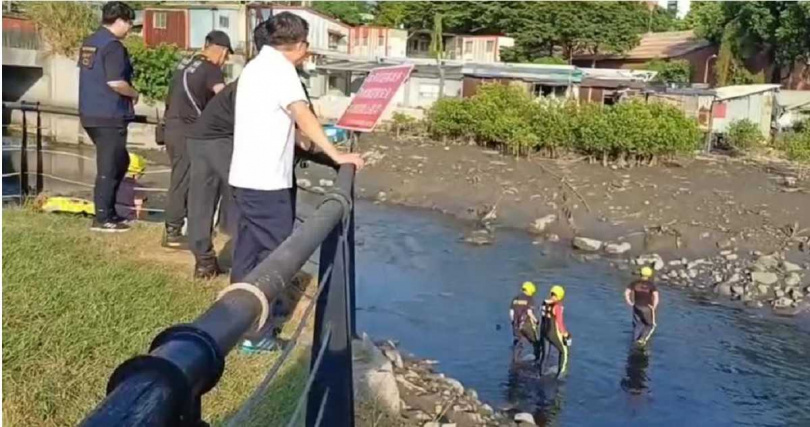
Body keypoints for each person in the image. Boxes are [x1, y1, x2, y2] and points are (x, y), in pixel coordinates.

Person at [228, 13, 364, 283]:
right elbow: (302, 114)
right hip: (266, 181)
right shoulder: (281, 70)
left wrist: (302, 141)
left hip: (245, 178)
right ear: (301, 45)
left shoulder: (256, 66)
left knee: (249, 248)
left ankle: (236, 304)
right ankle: (267, 309)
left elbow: (272, 119)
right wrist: (336, 154)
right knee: (276, 255)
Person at [162, 30, 232, 248]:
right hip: (189, 130)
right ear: (221, 51)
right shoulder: (211, 69)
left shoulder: (184, 64)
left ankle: (180, 227)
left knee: (180, 177)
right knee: (183, 180)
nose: (225, 61)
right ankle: (173, 232)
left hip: (171, 126)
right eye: (227, 55)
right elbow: (224, 97)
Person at [78, 1, 137, 233]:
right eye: (129, 22)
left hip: (90, 112)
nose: (130, 28)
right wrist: (134, 93)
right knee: (110, 167)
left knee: (120, 162)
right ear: (120, 20)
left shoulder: (90, 42)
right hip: (109, 114)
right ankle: (103, 217)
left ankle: (109, 212)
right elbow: (116, 82)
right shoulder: (113, 47)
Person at [538, 285, 572, 379]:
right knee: (564, 351)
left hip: (543, 331)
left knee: (545, 354)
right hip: (552, 332)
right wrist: (566, 334)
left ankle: (540, 374)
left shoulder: (544, 303)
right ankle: (561, 374)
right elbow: (559, 323)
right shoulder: (558, 306)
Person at [625, 266, 659, 346]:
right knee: (650, 325)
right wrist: (654, 307)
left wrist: (629, 302)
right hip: (647, 307)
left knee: (638, 323)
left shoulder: (635, 283)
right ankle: (642, 340)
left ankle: (635, 340)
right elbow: (656, 297)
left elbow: (627, 292)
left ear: (640, 273)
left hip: (636, 306)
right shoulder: (651, 285)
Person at [509, 281, 541, 362]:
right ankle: (537, 360)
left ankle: (516, 360)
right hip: (526, 325)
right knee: (535, 342)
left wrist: (513, 323)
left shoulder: (515, 299)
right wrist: (536, 321)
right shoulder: (529, 299)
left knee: (519, 342)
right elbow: (529, 312)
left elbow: (511, 313)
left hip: (516, 325)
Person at [114, 153, 148, 221]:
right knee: (144, 200)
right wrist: (139, 219)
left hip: (114, 214)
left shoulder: (114, 182)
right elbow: (139, 207)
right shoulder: (138, 187)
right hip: (128, 218)